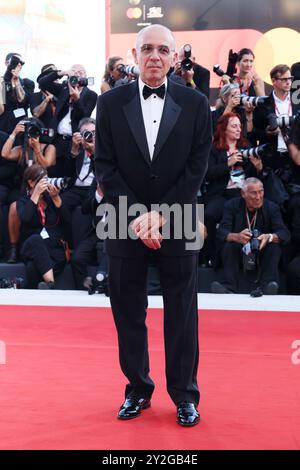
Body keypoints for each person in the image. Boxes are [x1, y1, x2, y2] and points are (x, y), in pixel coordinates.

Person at [95, 24, 212, 426]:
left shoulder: (196, 103)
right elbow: (105, 167)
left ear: (174, 57)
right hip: (123, 220)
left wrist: (159, 215)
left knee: (182, 312)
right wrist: (136, 218)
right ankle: (137, 389)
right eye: (147, 49)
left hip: (177, 218)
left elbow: (198, 167)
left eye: (163, 49)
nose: (155, 56)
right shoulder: (109, 103)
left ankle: (184, 394)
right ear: (134, 53)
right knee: (127, 310)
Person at [211, 178, 290, 295]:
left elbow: (284, 233)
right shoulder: (231, 205)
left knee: (274, 247)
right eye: (254, 193)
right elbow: (221, 231)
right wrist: (236, 237)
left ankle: (268, 286)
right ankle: (228, 287)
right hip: (240, 250)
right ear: (243, 194)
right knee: (229, 246)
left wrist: (269, 237)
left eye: (261, 191)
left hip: (261, 251)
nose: (258, 197)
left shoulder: (272, 207)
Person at [204, 113, 263, 264]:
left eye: (239, 126)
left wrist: (258, 168)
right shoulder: (214, 148)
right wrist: (228, 163)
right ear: (224, 129)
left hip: (242, 194)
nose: (238, 129)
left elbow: (253, 176)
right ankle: (212, 256)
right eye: (234, 126)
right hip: (221, 193)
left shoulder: (246, 147)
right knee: (209, 214)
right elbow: (208, 174)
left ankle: (251, 259)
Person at [16, 164, 71, 289]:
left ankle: (44, 286)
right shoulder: (23, 201)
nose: (45, 183)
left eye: (47, 179)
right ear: (31, 183)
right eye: (42, 180)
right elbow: (26, 218)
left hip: (53, 250)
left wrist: (56, 197)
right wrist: (35, 194)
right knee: (36, 239)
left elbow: (67, 219)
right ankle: (51, 284)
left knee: (32, 267)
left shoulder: (50, 200)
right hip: (32, 247)